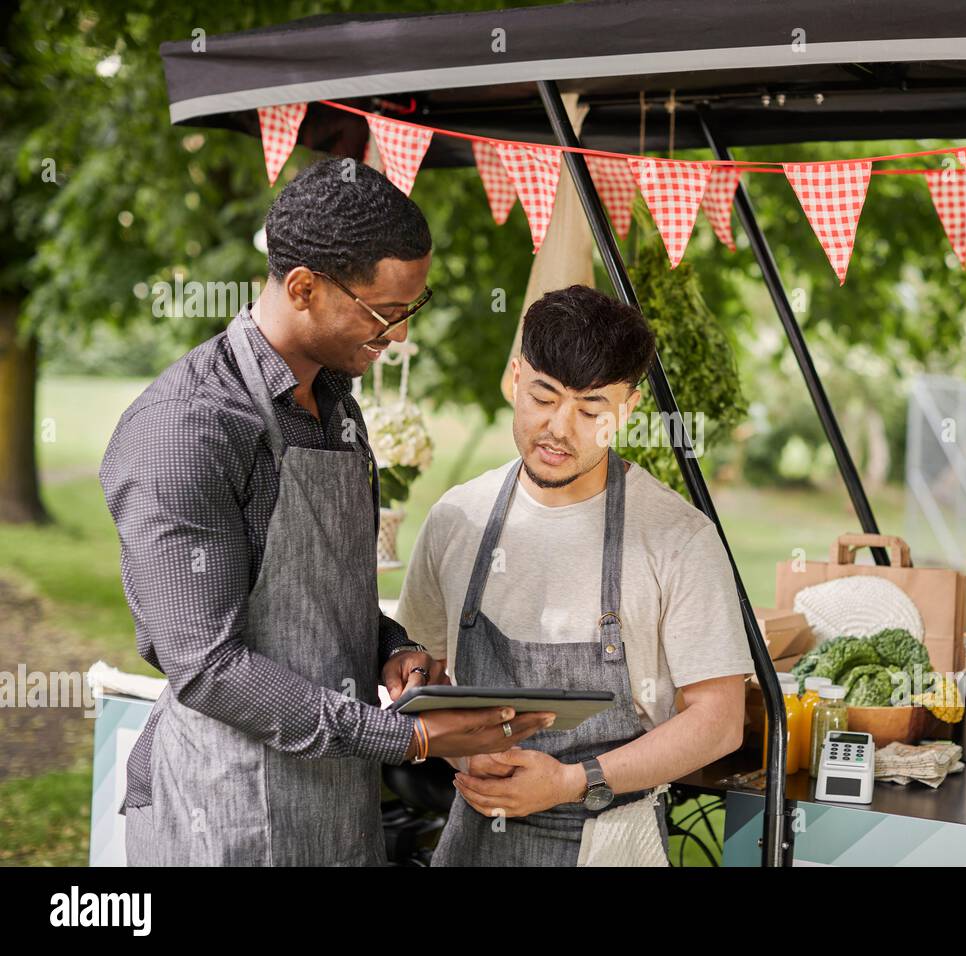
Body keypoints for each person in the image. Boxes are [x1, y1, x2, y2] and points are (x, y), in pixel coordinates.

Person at [99, 159, 550, 866]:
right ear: (303, 287)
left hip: (338, 806)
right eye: (384, 311)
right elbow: (208, 665)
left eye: (411, 306)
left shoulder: (335, 402)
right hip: (225, 816)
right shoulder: (188, 428)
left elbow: (309, 596)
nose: (399, 334)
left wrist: (391, 647)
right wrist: (411, 740)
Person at [395, 284, 754, 866]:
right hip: (474, 834)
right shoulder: (457, 517)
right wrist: (456, 747)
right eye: (543, 397)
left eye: (591, 410)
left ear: (629, 409)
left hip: (610, 841)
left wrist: (571, 781)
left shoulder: (678, 537)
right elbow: (421, 666)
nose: (560, 429)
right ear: (515, 378)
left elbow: (718, 722)